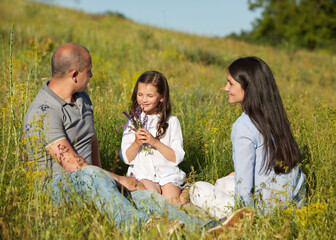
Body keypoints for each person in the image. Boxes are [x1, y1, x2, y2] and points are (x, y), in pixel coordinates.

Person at [23, 43, 248, 234]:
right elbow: (74, 166)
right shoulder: (43, 110)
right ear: (74, 75)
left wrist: (108, 181)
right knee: (97, 176)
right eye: (88, 71)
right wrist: (119, 179)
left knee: (148, 198)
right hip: (58, 188)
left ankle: (207, 228)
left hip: (94, 180)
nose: (91, 76)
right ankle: (145, 226)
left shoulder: (82, 99)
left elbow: (92, 144)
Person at [190, 56, 306, 218]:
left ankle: (235, 220)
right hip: (292, 205)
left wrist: (246, 215)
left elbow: (243, 186)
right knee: (221, 183)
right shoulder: (274, 116)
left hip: (262, 211)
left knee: (197, 188)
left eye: (230, 83)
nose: (225, 88)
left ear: (248, 87)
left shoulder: (243, 125)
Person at [119, 71, 188, 205]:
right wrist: (136, 143)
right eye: (140, 95)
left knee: (173, 202)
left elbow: (176, 157)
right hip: (143, 174)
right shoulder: (132, 122)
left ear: (161, 97)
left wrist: (154, 142)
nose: (143, 100)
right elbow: (126, 158)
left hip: (168, 175)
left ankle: (185, 192)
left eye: (150, 96)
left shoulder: (172, 122)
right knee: (153, 199)